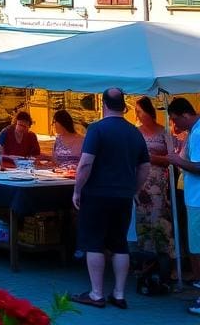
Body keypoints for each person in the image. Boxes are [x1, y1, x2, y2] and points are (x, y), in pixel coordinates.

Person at [70, 88, 150, 310]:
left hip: (97, 194)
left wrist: (77, 189)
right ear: (123, 105)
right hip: (123, 195)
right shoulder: (135, 132)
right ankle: (119, 293)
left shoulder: (97, 129)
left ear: (104, 104)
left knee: (94, 242)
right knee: (119, 243)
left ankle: (96, 293)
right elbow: (145, 166)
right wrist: (134, 188)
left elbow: (86, 163)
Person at [166, 97, 200, 316]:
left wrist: (175, 160)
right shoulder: (194, 131)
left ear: (185, 114)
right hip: (194, 198)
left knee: (197, 249)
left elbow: (198, 166)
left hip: (197, 200)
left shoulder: (197, 133)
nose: (176, 126)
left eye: (176, 120)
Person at [133, 96, 174, 259]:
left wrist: (151, 158)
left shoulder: (163, 132)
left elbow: (172, 158)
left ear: (148, 111)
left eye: (140, 111)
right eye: (136, 112)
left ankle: (162, 254)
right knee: (142, 216)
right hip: (141, 180)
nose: (137, 115)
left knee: (158, 216)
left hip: (158, 180)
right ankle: (145, 255)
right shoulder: (136, 132)